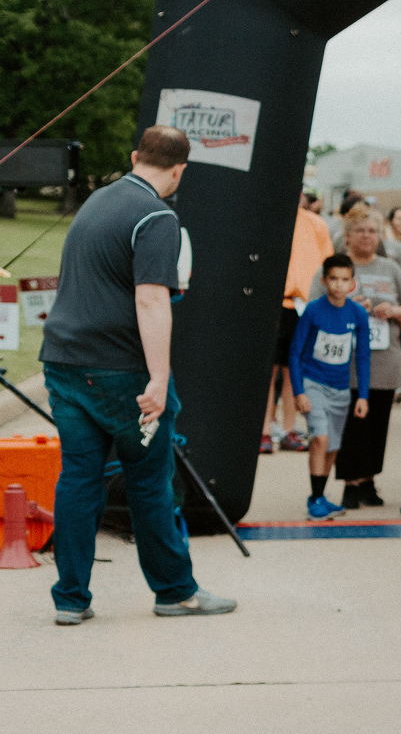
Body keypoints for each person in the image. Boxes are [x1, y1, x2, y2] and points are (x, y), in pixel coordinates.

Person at [39, 124, 235, 624]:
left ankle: (70, 599)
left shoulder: (97, 200)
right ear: (180, 170)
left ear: (134, 157)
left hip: (63, 360)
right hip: (119, 370)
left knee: (79, 479)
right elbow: (151, 299)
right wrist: (159, 379)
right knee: (150, 482)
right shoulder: (157, 216)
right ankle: (175, 592)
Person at [316, 210, 401, 511]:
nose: (367, 236)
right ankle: (350, 484)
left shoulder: (390, 268)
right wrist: (345, 306)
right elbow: (313, 308)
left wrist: (392, 311)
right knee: (349, 426)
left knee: (376, 425)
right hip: (344, 365)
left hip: (383, 361)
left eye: (372, 230)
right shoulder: (335, 267)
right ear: (347, 236)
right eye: (361, 230)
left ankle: (369, 481)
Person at [290, 254, 372, 521]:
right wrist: (299, 390)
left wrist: (363, 395)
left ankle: (321, 496)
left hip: (340, 389)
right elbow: (295, 351)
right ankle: (315, 499)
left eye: (344, 279)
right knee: (320, 438)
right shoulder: (313, 310)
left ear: (352, 283)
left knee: (333, 445)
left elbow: (363, 356)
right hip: (314, 383)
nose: (339, 284)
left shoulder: (358, 314)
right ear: (324, 280)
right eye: (333, 279)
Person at [265, 187, 337, 454]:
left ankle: (289, 428)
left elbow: (328, 264)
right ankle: (264, 429)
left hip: (303, 305)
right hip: (273, 305)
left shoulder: (315, 224)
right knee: (269, 370)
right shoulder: (268, 219)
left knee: (293, 369)